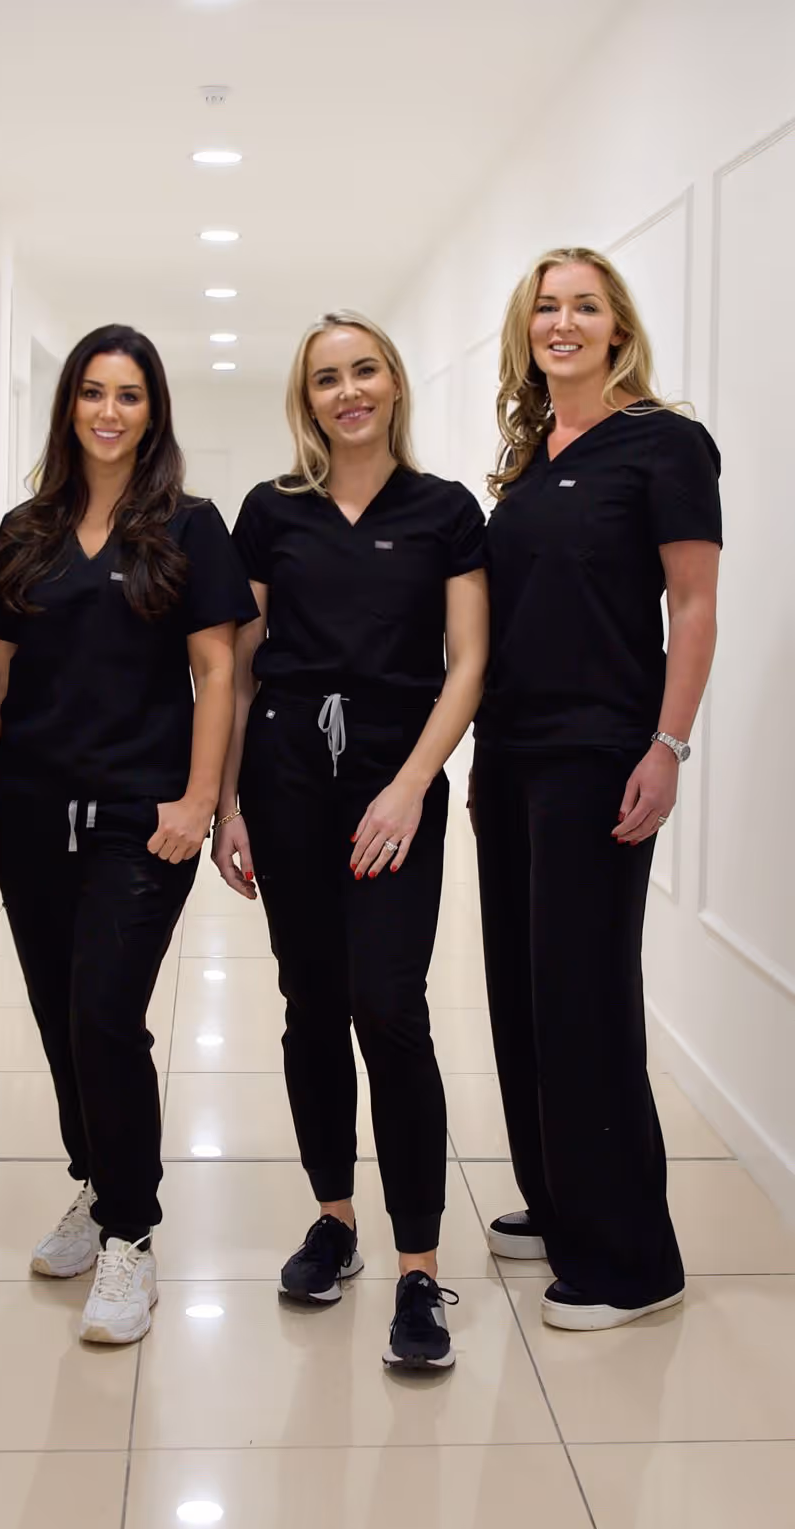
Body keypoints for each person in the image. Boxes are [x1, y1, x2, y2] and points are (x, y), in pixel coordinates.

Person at [0, 324, 256, 1347]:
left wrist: (198, 801)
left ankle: (132, 1234)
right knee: (56, 1019)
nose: (109, 411)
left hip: (142, 819)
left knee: (104, 1016)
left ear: (152, 410)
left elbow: (217, 671)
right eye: (92, 392)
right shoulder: (26, 528)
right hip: (35, 813)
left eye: (129, 395)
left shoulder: (189, 526)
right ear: (69, 406)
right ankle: (93, 1181)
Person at [213, 311, 489, 1370]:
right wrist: (230, 799)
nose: (347, 391)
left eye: (363, 370)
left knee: (390, 1004)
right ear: (307, 400)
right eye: (326, 378)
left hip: (392, 783)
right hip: (285, 779)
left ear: (393, 383)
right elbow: (238, 666)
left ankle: (420, 1270)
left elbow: (466, 663)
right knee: (309, 1002)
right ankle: (335, 1218)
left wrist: (412, 785)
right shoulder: (270, 513)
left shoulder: (445, 512)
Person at [471, 246, 722, 1331]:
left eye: (584, 307)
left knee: (583, 993)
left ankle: (630, 1258)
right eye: (545, 308)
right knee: (522, 990)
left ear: (616, 326)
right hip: (513, 750)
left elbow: (695, 605)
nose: (561, 323)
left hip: (598, 753)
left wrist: (666, 744)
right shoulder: (530, 454)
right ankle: (559, 1194)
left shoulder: (664, 442)